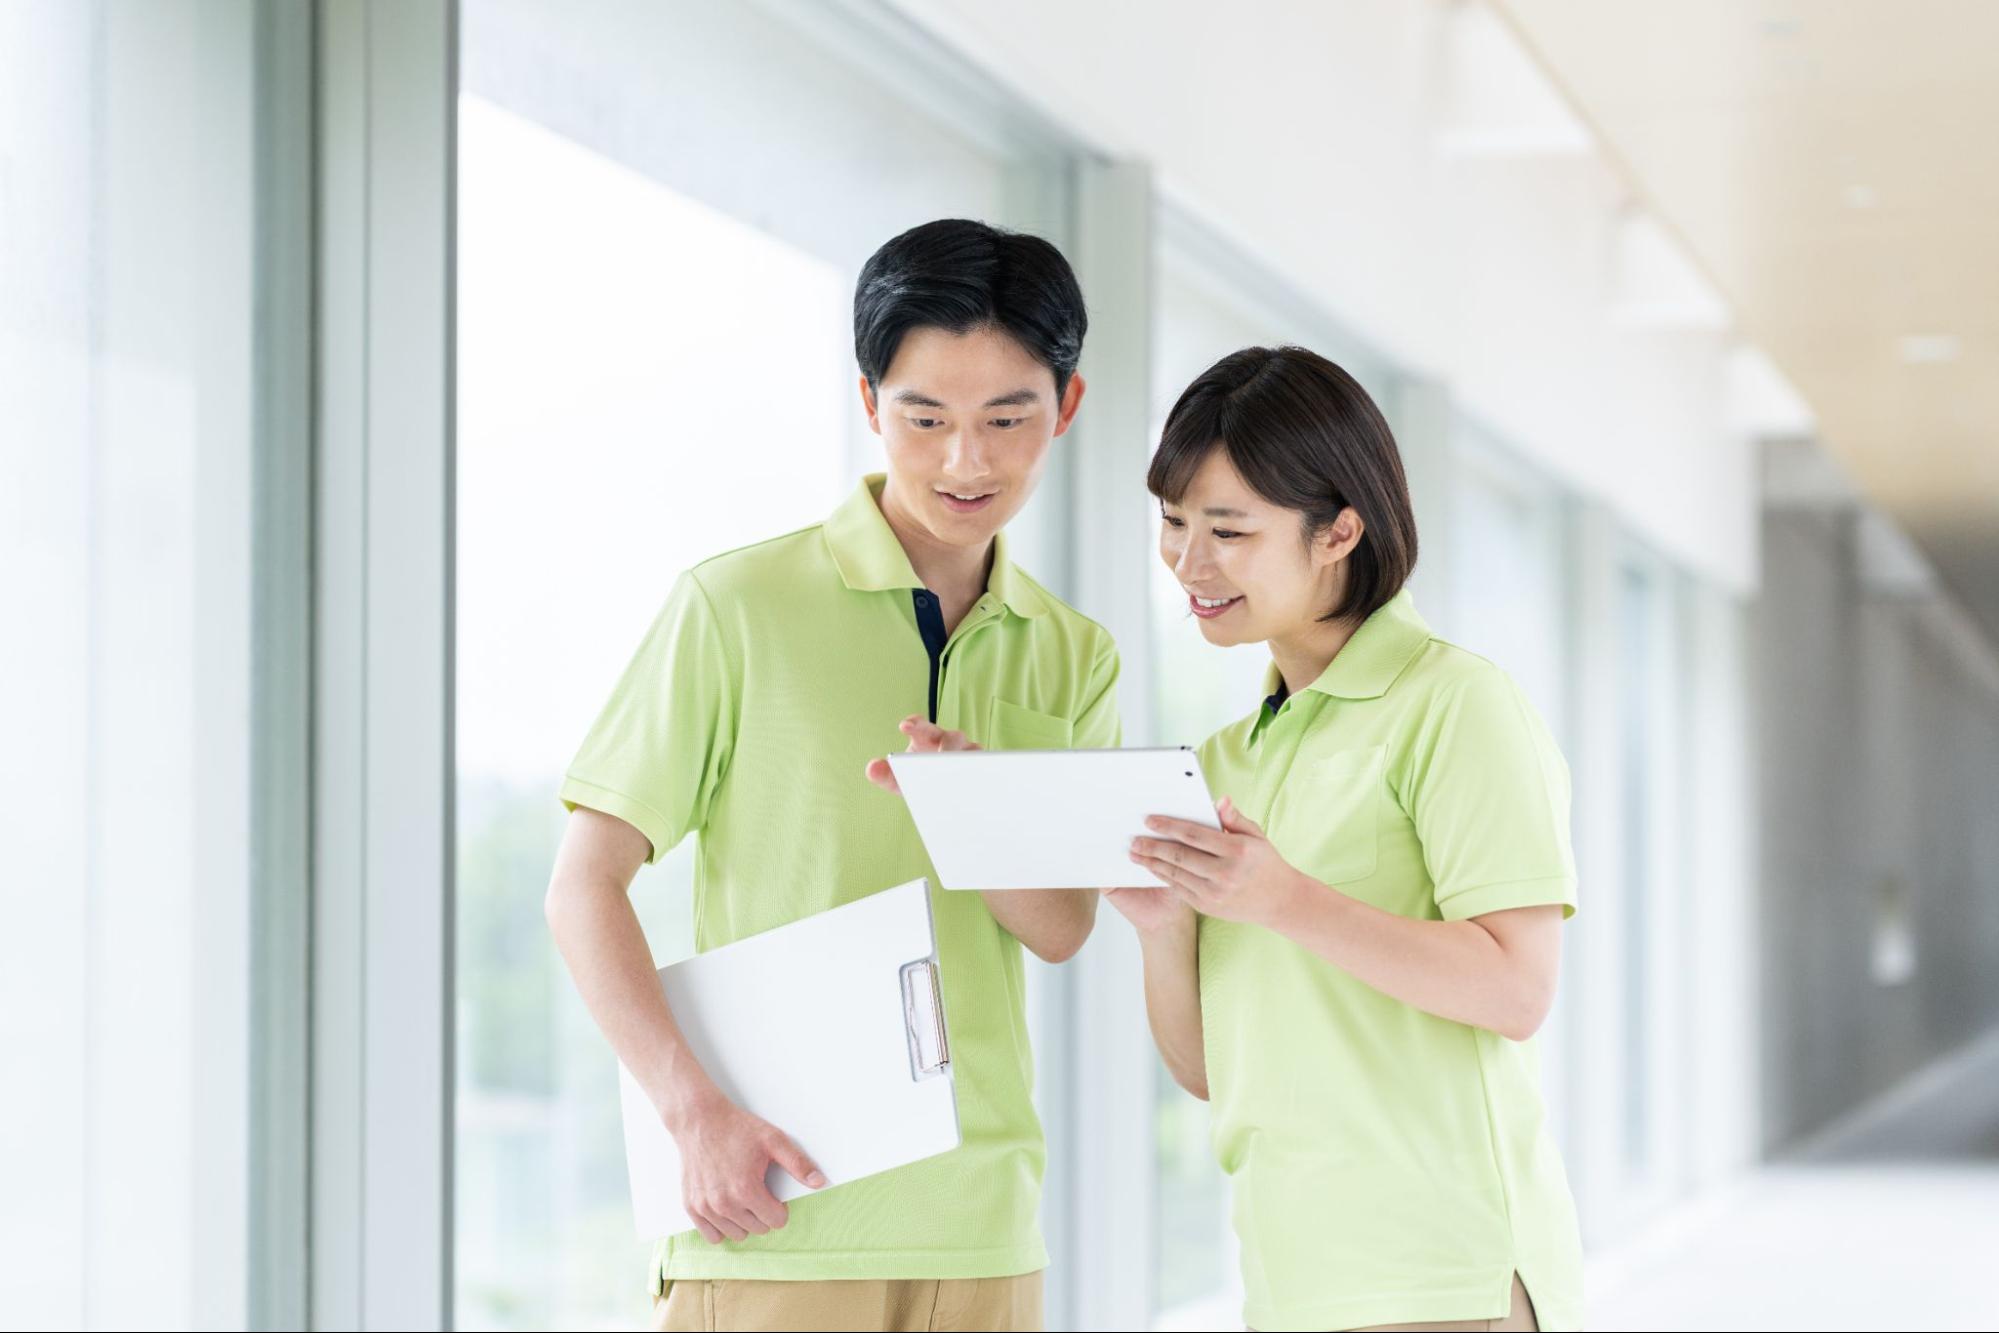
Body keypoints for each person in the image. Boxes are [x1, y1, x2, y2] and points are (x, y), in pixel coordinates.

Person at [543, 218, 1122, 1332]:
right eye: (925, 418)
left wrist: (980, 812)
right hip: (772, 1216)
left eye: (1007, 419)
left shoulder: (1073, 651)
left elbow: (1061, 927)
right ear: (869, 404)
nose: (966, 461)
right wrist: (689, 1112)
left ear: (1066, 407)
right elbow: (582, 885)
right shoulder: (736, 606)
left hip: (985, 1228)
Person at [1105, 345, 1584, 1332]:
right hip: (1290, 1283)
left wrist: (1284, 899)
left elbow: (1517, 989)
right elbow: (1212, 1072)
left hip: (1443, 1278)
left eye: (1228, 530)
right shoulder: (1225, 758)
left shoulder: (1455, 704)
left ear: (1339, 531)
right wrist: (1164, 929)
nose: (1189, 562)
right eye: (1173, 522)